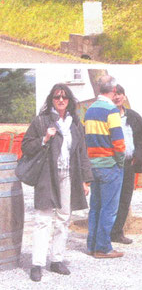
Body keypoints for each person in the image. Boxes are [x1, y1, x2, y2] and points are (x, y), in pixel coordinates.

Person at [22, 83, 93, 282]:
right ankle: (37, 263)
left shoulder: (76, 124)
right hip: (46, 176)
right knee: (43, 219)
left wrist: (86, 180)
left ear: (69, 101)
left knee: (63, 219)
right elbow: (26, 146)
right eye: (56, 97)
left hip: (69, 176)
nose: (61, 100)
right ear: (51, 100)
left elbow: (82, 153)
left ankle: (57, 260)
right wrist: (44, 138)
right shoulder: (41, 121)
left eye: (64, 97)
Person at [85, 75, 125, 258]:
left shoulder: (89, 110)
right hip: (110, 165)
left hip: (93, 165)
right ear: (114, 90)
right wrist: (121, 162)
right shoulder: (112, 110)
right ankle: (103, 248)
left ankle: (92, 245)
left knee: (95, 207)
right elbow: (118, 140)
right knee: (109, 209)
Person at [110, 84, 142, 244]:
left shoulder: (132, 116)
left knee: (125, 198)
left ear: (124, 97)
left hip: (128, 164)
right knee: (110, 199)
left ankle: (117, 233)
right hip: (110, 164)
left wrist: (139, 154)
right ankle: (104, 232)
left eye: (120, 93)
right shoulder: (105, 115)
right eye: (114, 94)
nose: (117, 97)